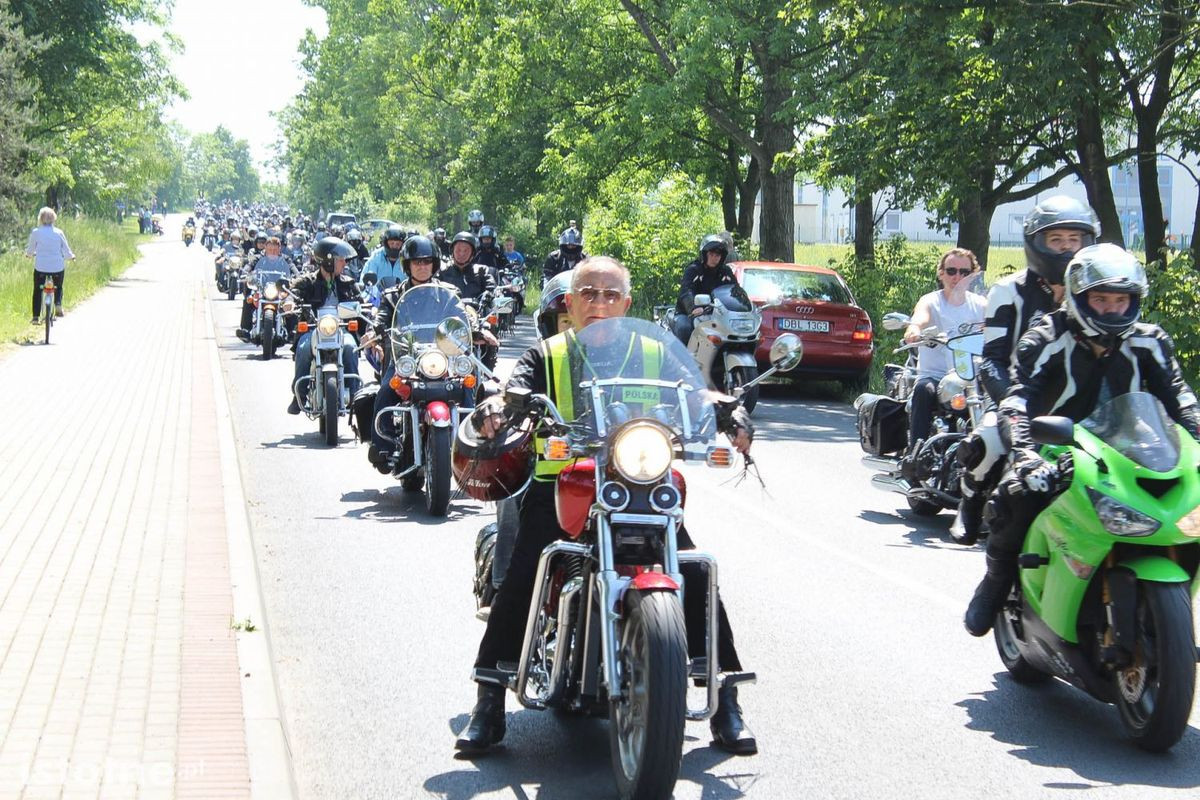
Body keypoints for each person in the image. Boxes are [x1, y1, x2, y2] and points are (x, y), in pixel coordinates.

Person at [455, 256, 758, 757]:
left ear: (627, 303)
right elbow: (515, 387)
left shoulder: (656, 347)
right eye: (588, 294)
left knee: (694, 568)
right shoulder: (548, 352)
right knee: (531, 563)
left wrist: (727, 408)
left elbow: (696, 386)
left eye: (610, 294)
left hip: (638, 479)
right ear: (570, 304)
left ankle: (725, 695)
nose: (599, 304)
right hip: (564, 486)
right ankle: (488, 697)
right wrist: (503, 404)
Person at [963, 244, 1200, 636]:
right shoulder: (1044, 337)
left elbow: (1182, 400)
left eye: (1120, 299)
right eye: (1101, 298)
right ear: (1078, 297)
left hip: (1137, 451)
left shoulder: (1152, 341)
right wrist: (1025, 455)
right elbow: (1016, 401)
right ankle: (996, 581)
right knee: (1014, 495)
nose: (1111, 308)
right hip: (1058, 448)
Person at [952, 196, 1099, 542]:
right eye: (1056, 240)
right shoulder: (1010, 290)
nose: (1066, 249)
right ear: (1037, 243)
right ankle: (970, 502)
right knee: (986, 443)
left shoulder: (1098, 291)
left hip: (1081, 402)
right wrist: (1009, 403)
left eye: (1073, 240)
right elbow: (991, 360)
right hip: (1019, 396)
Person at [366, 235, 462, 472]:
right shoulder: (392, 296)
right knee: (388, 388)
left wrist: (477, 328)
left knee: (466, 388)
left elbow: (462, 317)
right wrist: (373, 331)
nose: (422, 266)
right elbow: (382, 318)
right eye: (417, 262)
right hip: (406, 358)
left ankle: (469, 446)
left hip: (441, 359)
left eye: (427, 261)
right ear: (407, 265)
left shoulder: (448, 293)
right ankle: (383, 445)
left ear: (434, 264)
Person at [901, 248, 986, 456]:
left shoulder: (981, 305)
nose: (958, 276)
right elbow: (920, 316)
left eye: (964, 272)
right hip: (936, 376)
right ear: (941, 273)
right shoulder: (931, 300)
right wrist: (914, 329)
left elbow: (998, 327)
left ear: (973, 275)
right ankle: (916, 456)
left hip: (971, 377)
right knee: (923, 391)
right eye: (951, 270)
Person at [285, 237, 363, 415]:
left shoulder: (348, 283)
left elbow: (361, 302)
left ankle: (355, 394)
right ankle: (300, 395)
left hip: (341, 329)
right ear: (328, 260)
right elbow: (292, 291)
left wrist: (367, 309)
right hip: (314, 329)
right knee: (303, 349)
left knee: (351, 348)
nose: (344, 263)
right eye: (340, 259)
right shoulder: (308, 281)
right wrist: (288, 301)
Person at [672, 233, 738, 346]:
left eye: (718, 255)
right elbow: (686, 291)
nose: (714, 257)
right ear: (704, 254)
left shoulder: (725, 272)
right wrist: (693, 307)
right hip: (689, 314)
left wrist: (744, 305)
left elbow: (736, 291)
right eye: (711, 254)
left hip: (717, 314)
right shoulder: (693, 270)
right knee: (684, 328)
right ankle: (685, 360)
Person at [25, 207, 75, 323]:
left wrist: (29, 255)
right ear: (53, 219)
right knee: (58, 286)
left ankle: (36, 317)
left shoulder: (36, 232)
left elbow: (31, 249)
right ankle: (58, 303)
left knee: (37, 289)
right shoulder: (59, 232)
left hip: (41, 267)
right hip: (57, 267)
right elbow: (66, 250)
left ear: (40, 219)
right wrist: (71, 256)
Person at [237, 236, 291, 340]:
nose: (272, 252)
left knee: (290, 303)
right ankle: (246, 330)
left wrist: (297, 275)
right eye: (270, 249)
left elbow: (292, 267)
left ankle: (292, 331)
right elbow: (250, 265)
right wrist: (244, 272)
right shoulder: (258, 258)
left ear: (279, 249)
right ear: (265, 248)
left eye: (275, 250)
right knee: (249, 299)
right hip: (262, 288)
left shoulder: (285, 259)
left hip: (279, 289)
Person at [362, 226, 408, 290]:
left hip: (402, 296)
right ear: (386, 243)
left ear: (403, 244)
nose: (394, 246)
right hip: (379, 297)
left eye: (398, 244)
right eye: (392, 243)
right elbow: (365, 279)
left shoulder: (407, 258)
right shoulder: (376, 256)